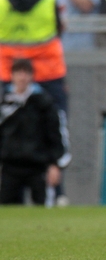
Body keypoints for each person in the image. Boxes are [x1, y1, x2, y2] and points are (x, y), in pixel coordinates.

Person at [0, 58, 65, 205]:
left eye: (25, 73)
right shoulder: (4, 102)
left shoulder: (43, 102)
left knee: (42, 208)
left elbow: (54, 134)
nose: (22, 77)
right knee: (7, 212)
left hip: (38, 166)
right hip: (10, 167)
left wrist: (54, 163)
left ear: (31, 76)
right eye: (18, 73)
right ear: (12, 76)